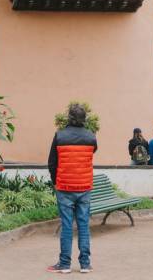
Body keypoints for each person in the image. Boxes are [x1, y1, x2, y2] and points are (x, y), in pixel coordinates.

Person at [47, 104, 98, 274]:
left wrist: (56, 181)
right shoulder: (91, 137)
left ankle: (64, 264)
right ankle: (85, 264)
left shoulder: (60, 136)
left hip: (65, 187)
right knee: (84, 225)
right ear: (84, 119)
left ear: (69, 118)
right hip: (84, 187)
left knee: (67, 225)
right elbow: (92, 154)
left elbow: (52, 163)